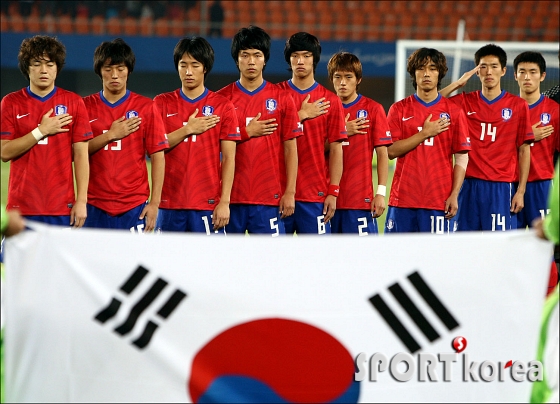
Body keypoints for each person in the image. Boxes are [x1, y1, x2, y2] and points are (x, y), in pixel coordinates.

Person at [216, 26, 301, 236]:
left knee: (270, 264)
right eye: (245, 55)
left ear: (265, 59)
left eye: (257, 55)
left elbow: (291, 149)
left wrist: (290, 192)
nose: (251, 61)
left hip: (268, 199)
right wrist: (245, 132)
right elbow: (211, 147)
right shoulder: (221, 99)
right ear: (237, 60)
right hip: (229, 199)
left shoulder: (282, 98)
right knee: (226, 263)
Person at [0, 35, 92, 228]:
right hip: (21, 207)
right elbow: (5, 152)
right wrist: (41, 130)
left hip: (61, 206)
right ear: (27, 67)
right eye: (36, 63)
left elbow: (81, 155)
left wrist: (82, 201)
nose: (44, 70)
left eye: (50, 64)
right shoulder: (11, 103)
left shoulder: (74, 102)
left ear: (57, 68)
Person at [440, 44, 534, 231]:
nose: (488, 71)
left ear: (503, 70)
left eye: (494, 66)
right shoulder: (464, 102)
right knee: (465, 247)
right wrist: (458, 84)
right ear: (476, 71)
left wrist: (520, 191)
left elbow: (524, 151)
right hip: (468, 186)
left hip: (500, 188)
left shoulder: (517, 106)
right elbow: (433, 104)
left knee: (498, 248)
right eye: (483, 66)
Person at [154, 36, 239, 235]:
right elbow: (154, 147)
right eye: (183, 65)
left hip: (206, 203)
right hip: (168, 203)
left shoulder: (223, 106)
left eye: (195, 65)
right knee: (166, 263)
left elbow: (229, 158)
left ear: (205, 68)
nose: (188, 71)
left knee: (207, 264)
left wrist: (224, 201)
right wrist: (187, 129)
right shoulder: (161, 103)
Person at [83, 38, 168, 233]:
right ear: (99, 71)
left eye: (120, 68)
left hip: (134, 205)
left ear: (128, 70)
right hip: (94, 204)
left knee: (136, 263)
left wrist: (154, 203)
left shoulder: (146, 107)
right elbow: (75, 152)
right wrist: (110, 135)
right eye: (108, 69)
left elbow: (158, 156)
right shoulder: (85, 107)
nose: (115, 75)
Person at [383, 48, 470, 234]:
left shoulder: (454, 112)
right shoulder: (399, 109)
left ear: (440, 73)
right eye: (421, 68)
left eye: (432, 68)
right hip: (402, 201)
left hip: (438, 201)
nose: (427, 73)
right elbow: (390, 151)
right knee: (399, 259)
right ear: (414, 73)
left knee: (436, 261)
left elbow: (461, 159)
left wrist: (455, 194)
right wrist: (424, 134)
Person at [278, 32, 347, 234]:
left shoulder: (330, 101)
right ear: (289, 59)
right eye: (295, 55)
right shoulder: (275, 95)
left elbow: (336, 150)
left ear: (314, 59)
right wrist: (300, 115)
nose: (300, 61)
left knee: (318, 261)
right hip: (278, 194)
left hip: (314, 196)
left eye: (307, 55)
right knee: (275, 260)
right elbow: (268, 138)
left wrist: (333, 192)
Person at [326, 52, 392, 235]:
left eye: (348, 77)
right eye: (338, 77)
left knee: (363, 259)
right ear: (332, 79)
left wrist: (380, 193)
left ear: (358, 79)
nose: (343, 82)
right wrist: (341, 132)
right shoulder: (323, 109)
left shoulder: (373, 109)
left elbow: (382, 154)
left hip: (359, 201)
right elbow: (313, 149)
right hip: (326, 200)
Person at [513, 52, 559, 230]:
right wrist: (527, 135)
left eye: (533, 72)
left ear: (542, 76)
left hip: (542, 185)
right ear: (515, 75)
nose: (527, 77)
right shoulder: (507, 110)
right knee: (510, 243)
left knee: (543, 245)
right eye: (522, 71)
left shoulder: (555, 111)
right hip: (510, 184)